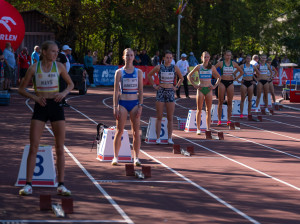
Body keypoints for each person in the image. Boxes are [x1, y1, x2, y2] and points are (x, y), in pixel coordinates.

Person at [18, 40, 74, 196]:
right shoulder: (34, 68)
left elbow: (71, 85)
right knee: (34, 146)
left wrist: (63, 94)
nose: (56, 54)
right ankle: (28, 184)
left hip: (56, 106)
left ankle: (61, 184)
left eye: (57, 51)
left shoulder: (60, 67)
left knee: (60, 147)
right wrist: (34, 98)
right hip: (40, 106)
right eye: (53, 51)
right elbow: (21, 89)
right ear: (44, 52)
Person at [112, 48, 143, 166]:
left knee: (136, 132)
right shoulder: (119, 72)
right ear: (123, 57)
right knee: (119, 131)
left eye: (131, 55)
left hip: (134, 103)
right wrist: (115, 106)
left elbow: (140, 90)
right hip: (123, 104)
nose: (129, 57)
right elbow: (115, 91)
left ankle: (136, 158)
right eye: (127, 55)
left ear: (134, 57)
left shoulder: (138, 72)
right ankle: (115, 157)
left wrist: (140, 106)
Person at [147, 50, 183, 144]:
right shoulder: (159, 67)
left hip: (170, 92)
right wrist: (154, 85)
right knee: (159, 116)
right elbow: (149, 75)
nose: (169, 59)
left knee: (170, 117)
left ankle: (170, 138)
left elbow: (181, 78)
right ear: (164, 58)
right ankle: (158, 138)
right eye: (167, 57)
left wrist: (176, 87)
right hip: (161, 92)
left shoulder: (174, 67)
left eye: (171, 58)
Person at [187, 51, 220, 134]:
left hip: (209, 90)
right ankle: (198, 129)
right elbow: (189, 76)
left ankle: (208, 128)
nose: (206, 59)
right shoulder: (199, 67)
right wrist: (195, 85)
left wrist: (214, 86)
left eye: (207, 57)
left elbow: (219, 77)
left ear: (209, 58)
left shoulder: (212, 67)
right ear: (201, 58)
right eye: (205, 57)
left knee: (208, 110)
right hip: (201, 89)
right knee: (199, 109)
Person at [215, 50, 244, 125]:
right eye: (227, 55)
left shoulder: (233, 63)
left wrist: (236, 78)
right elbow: (212, 70)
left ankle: (228, 120)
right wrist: (218, 77)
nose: (228, 57)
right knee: (220, 101)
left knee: (230, 101)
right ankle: (219, 120)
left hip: (230, 82)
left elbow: (241, 72)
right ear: (224, 56)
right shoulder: (221, 63)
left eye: (230, 55)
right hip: (222, 82)